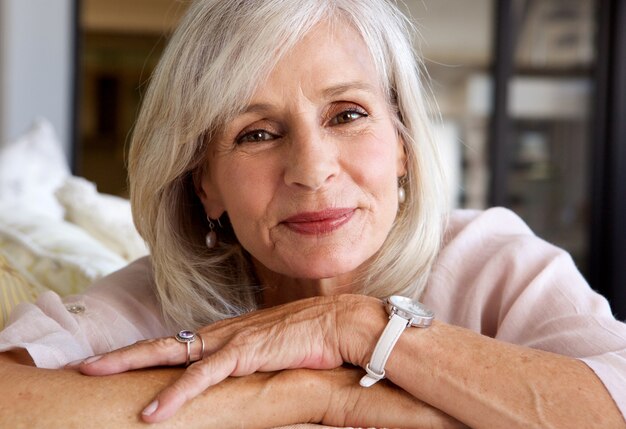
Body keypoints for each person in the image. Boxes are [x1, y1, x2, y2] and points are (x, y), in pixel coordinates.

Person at [1, 0, 625, 427]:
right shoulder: (155, 303)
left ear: (404, 145)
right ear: (205, 185)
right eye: (256, 133)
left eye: (347, 115)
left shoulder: (490, 258)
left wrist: (352, 328)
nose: (312, 168)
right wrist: (308, 392)